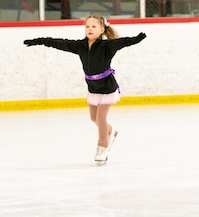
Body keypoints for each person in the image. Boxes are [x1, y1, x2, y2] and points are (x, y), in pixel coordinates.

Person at [23, 14, 146, 164]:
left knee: (101, 118)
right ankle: (110, 131)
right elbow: (60, 43)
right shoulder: (80, 46)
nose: (90, 29)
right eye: (87, 26)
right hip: (93, 87)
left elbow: (123, 42)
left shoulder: (107, 46)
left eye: (94, 26)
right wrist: (41, 41)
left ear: (102, 29)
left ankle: (103, 146)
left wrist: (137, 39)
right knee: (94, 118)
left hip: (107, 86)